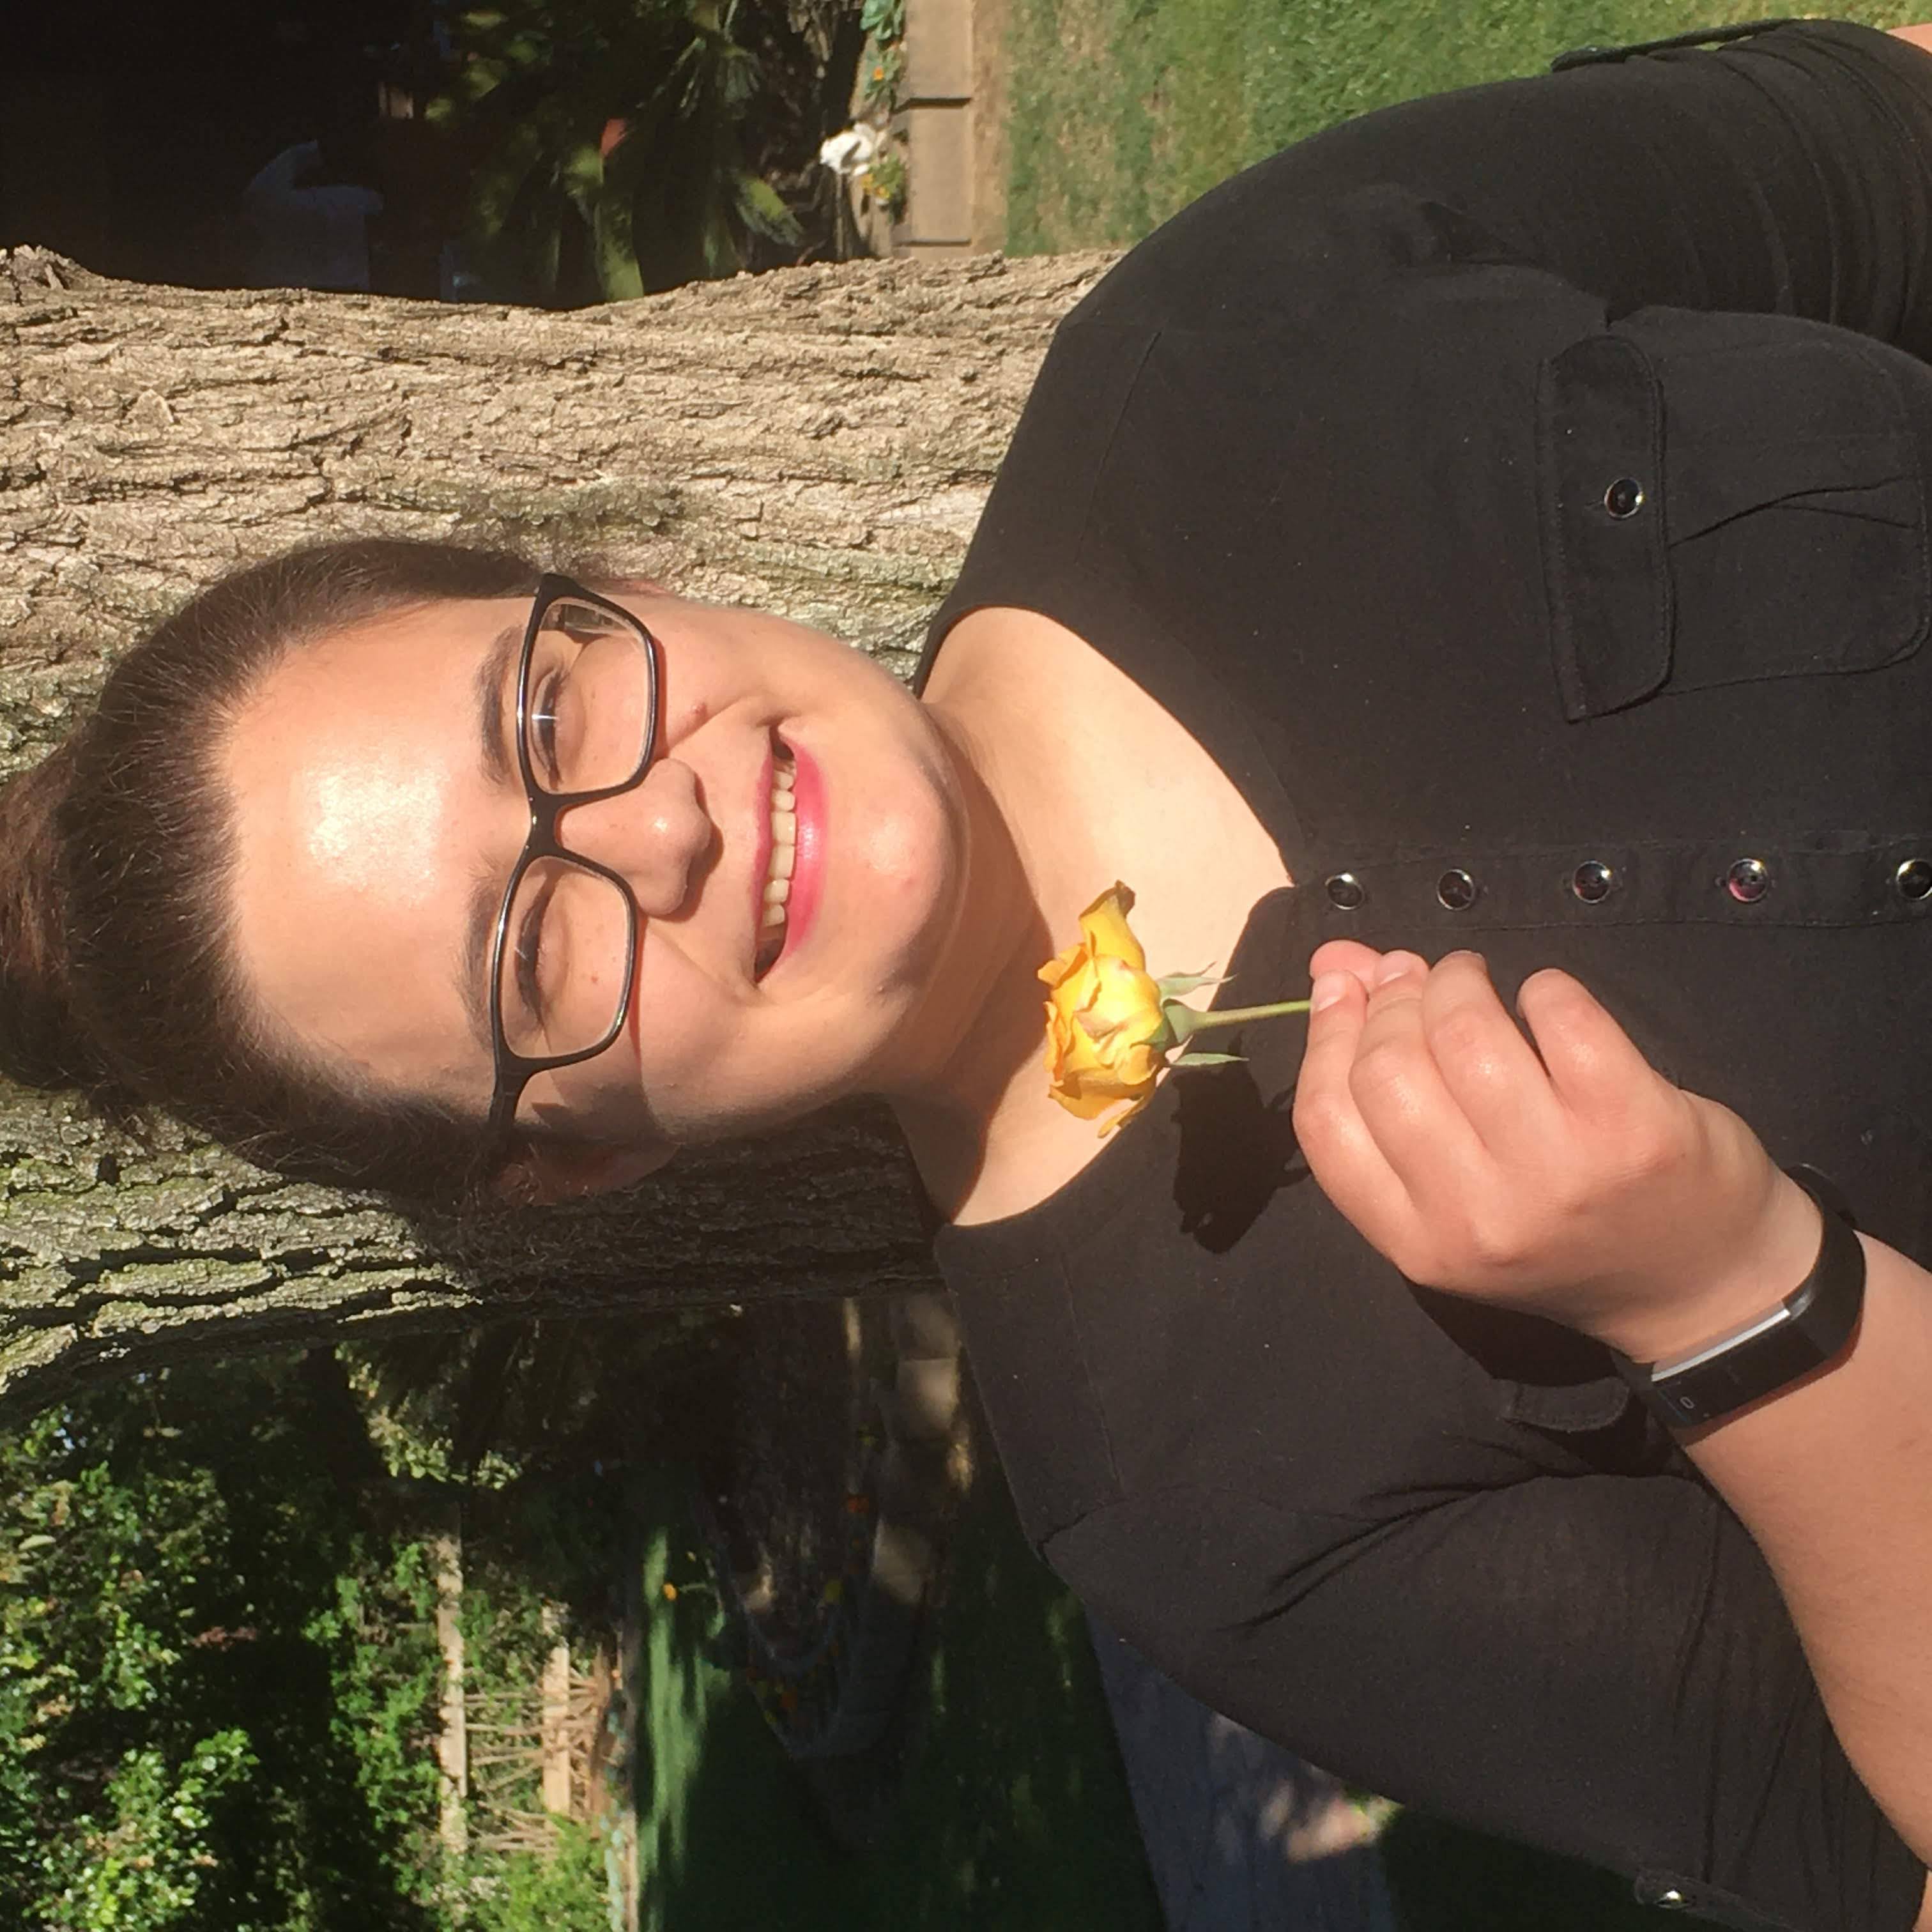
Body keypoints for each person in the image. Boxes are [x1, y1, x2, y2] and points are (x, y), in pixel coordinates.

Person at [4, 17, 1932, 1929]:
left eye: (547, 700)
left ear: (586, 578)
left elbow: (1875, 146)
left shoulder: (1221, 341)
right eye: (537, 950)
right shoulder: (1200, 1514)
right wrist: (1741, 1306)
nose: (660, 830)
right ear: (569, 1159)